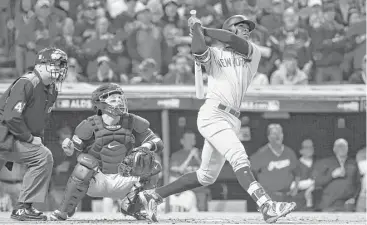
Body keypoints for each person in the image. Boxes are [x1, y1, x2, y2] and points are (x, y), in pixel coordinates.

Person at [138, 15, 296, 223]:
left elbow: (233, 41)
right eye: (240, 27)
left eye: (247, 28)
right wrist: (196, 32)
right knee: (239, 156)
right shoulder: (214, 54)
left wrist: (202, 29)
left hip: (232, 118)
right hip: (213, 113)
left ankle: (153, 196)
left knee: (206, 176)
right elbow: (198, 51)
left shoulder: (252, 53)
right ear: (230, 29)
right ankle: (266, 205)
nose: (246, 30)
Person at [50, 83, 164, 221]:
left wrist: (145, 147)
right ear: (101, 103)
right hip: (98, 180)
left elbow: (158, 142)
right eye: (114, 99)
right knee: (83, 165)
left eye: (120, 98)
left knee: (153, 166)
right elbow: (74, 152)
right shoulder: (89, 124)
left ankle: (133, 207)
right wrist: (68, 150)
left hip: (124, 177)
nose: (119, 102)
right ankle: (64, 210)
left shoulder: (131, 120)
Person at [0, 47, 68, 221]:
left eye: (62, 65)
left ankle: (23, 207)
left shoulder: (52, 89)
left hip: (12, 136)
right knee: (42, 157)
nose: (60, 69)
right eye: (56, 64)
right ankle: (22, 208)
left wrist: (36, 139)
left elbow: (38, 121)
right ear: (41, 65)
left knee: (42, 155)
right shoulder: (28, 82)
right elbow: (11, 116)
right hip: (5, 133)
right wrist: (30, 139)